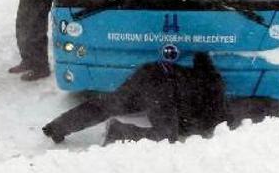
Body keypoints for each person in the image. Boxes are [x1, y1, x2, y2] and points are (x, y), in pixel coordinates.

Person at [42, 52, 228, 144]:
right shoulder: (212, 113)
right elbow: (186, 124)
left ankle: (58, 126)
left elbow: (201, 58)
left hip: (152, 71)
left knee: (110, 103)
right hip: (163, 87)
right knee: (167, 136)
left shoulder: (214, 85)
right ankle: (118, 131)